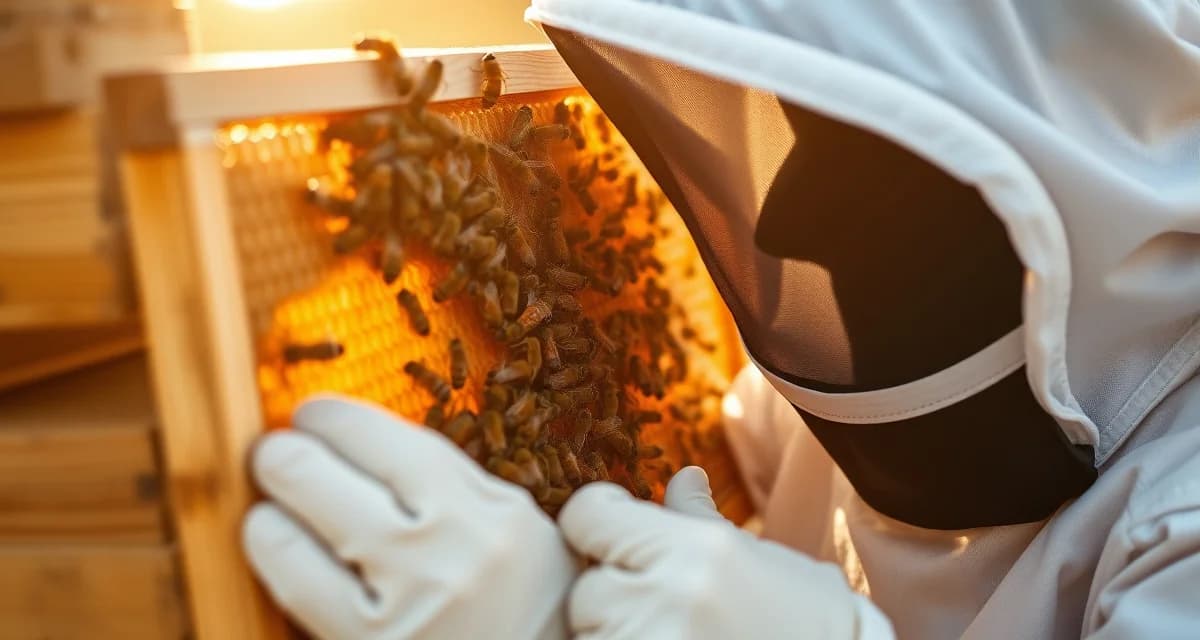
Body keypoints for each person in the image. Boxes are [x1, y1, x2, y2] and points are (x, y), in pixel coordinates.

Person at [242, 1, 1200, 637]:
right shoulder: (806, 424)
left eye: (856, 145)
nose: (785, 217)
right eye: (792, 120)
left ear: (1057, 171)